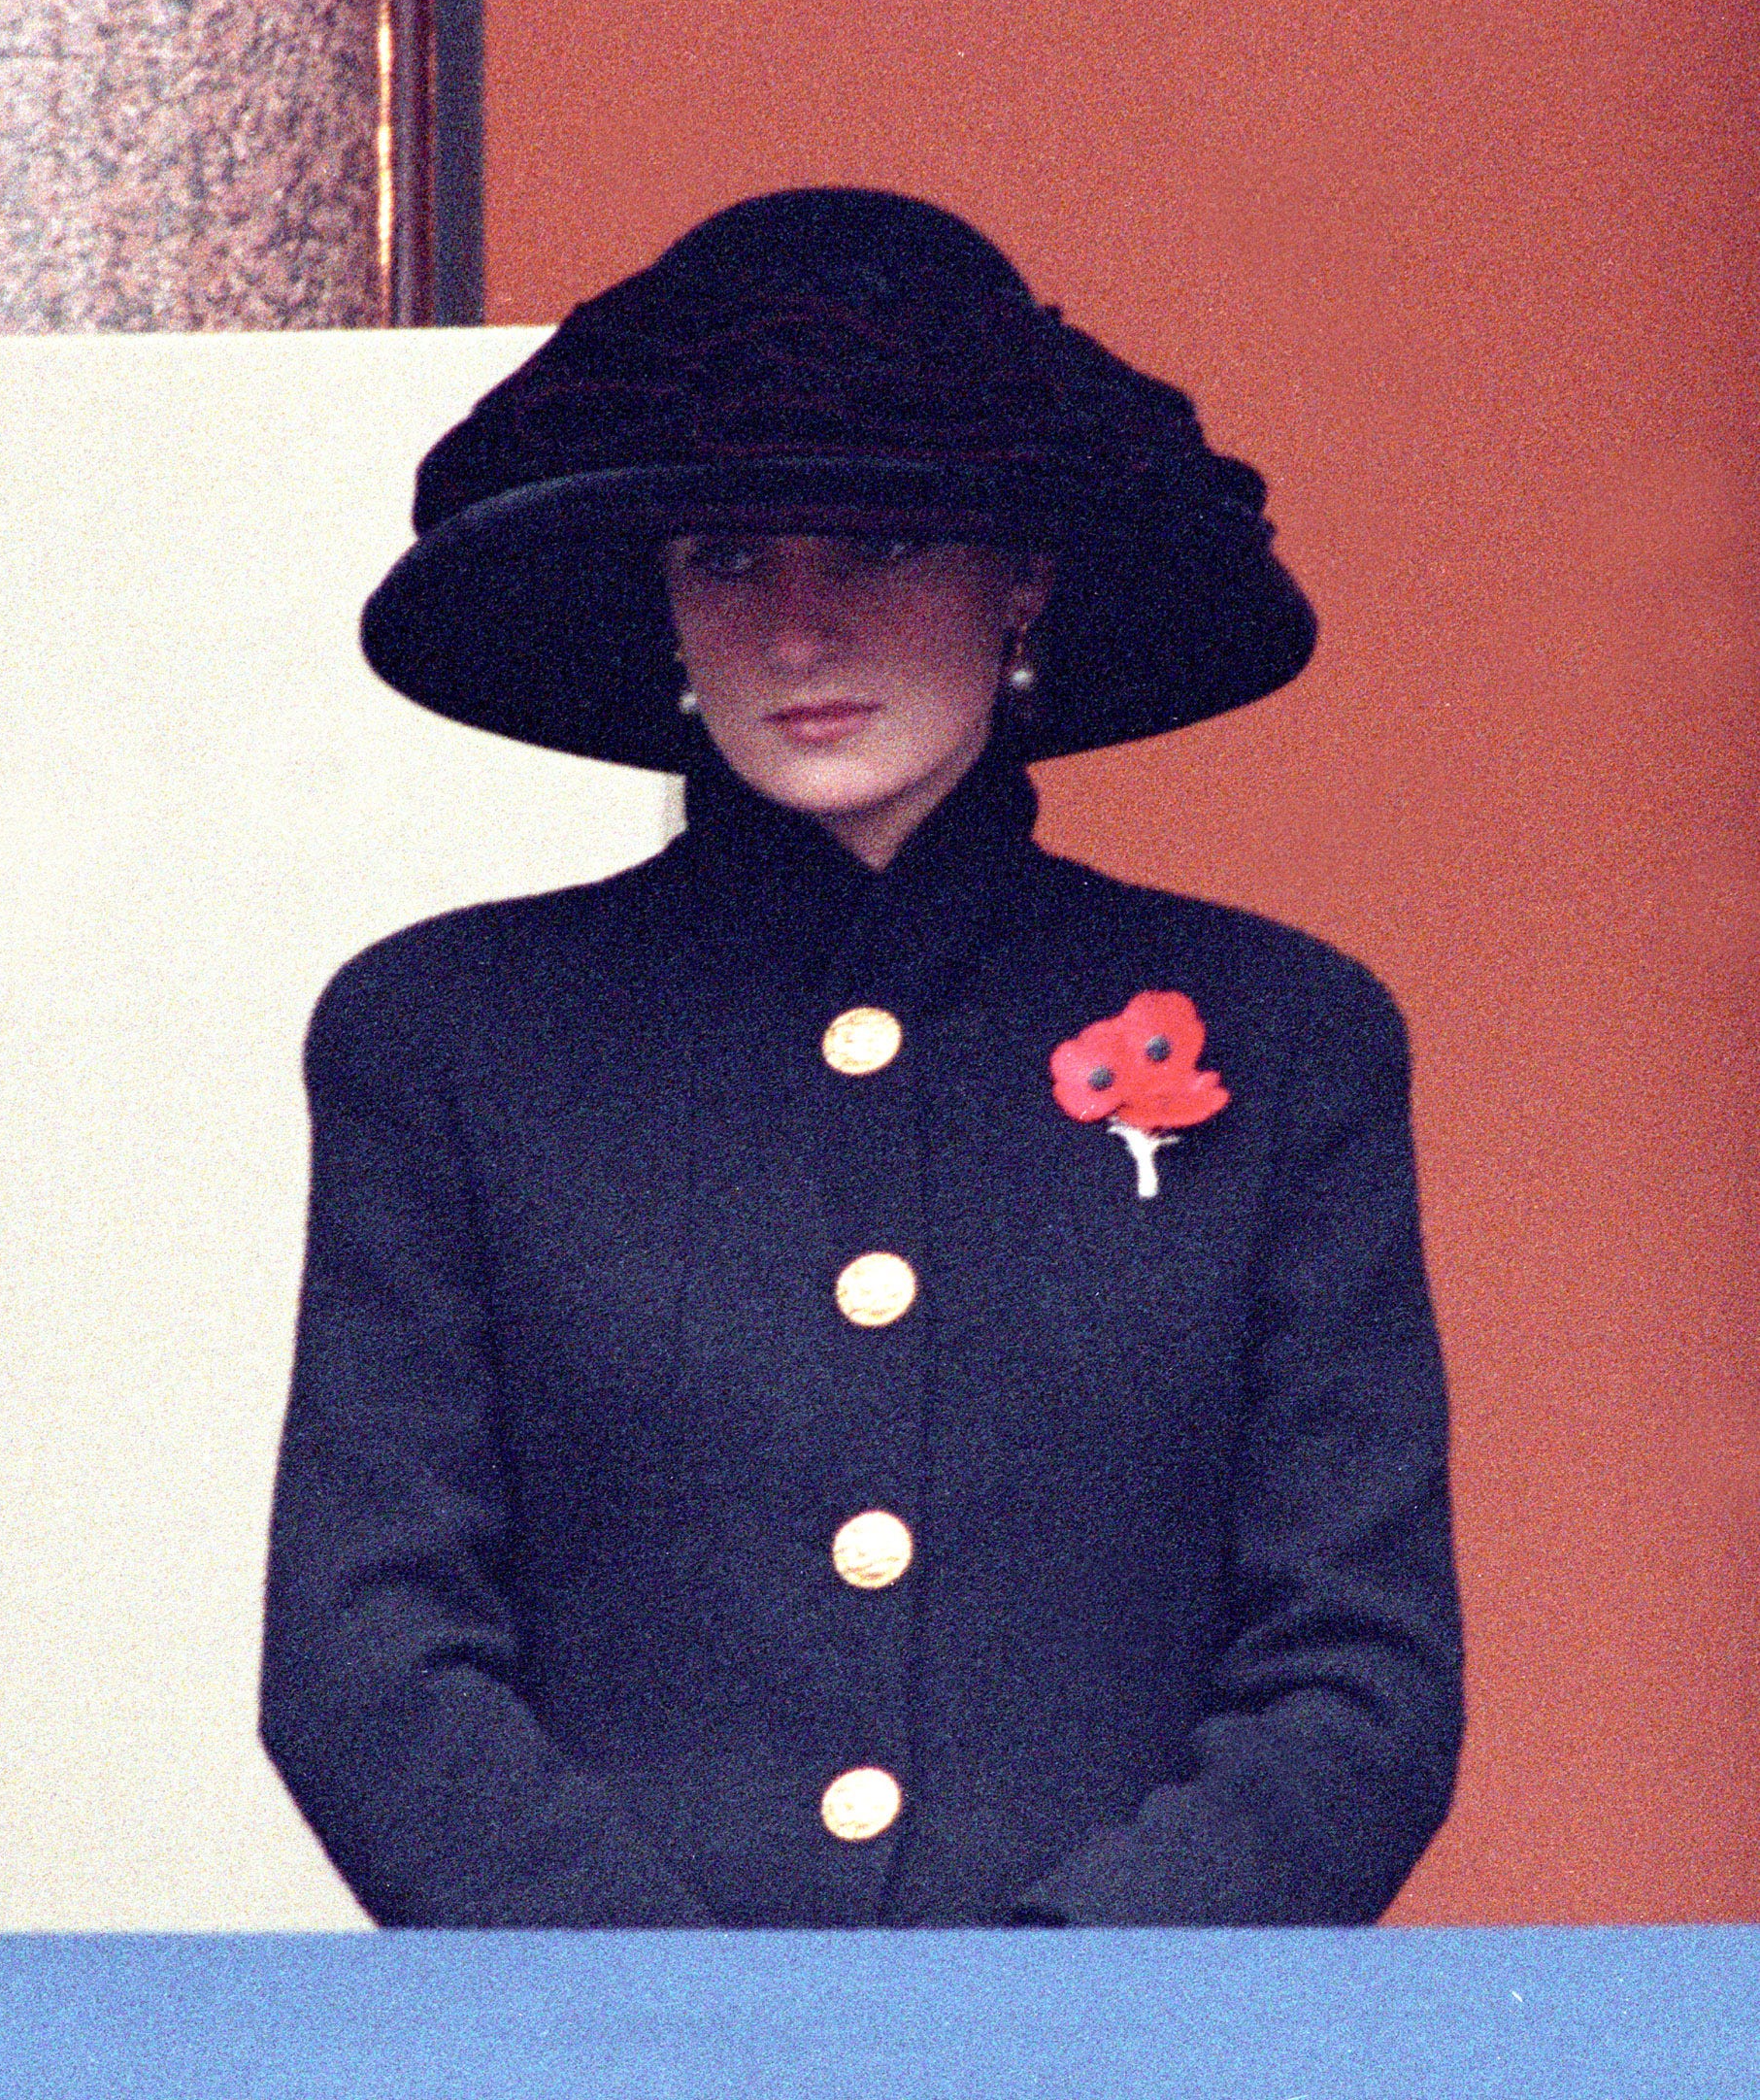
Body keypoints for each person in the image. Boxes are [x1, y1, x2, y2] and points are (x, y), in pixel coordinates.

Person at [260, 187, 1463, 1929]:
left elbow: (1360, 1683)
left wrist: (1030, 2032)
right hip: (611, 2068)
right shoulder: (448, 1037)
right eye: (725, 559)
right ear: (661, 613)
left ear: (1022, 579)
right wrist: (692, 2033)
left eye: (880, 548)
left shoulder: (1287, 1036)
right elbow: (371, 1657)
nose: (797, 631)